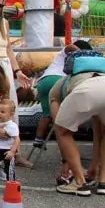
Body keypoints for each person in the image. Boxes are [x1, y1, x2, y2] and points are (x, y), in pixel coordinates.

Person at [50, 70, 105, 197]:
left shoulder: (57, 87)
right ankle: (103, 182)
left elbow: (60, 128)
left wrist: (65, 163)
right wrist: (93, 167)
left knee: (62, 132)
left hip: (85, 91)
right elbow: (97, 130)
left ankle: (79, 183)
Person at [32, 40, 93, 184]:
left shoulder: (59, 61)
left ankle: (39, 139)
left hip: (44, 83)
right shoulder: (70, 53)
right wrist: (83, 54)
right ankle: (68, 165)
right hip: (58, 82)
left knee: (51, 118)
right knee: (63, 127)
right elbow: (69, 47)